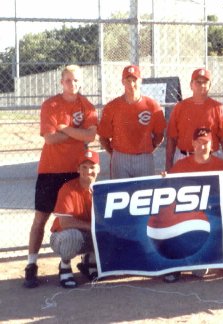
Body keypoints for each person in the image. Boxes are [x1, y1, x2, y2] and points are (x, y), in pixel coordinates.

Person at [24, 65, 98, 289]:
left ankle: (82, 261)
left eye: (75, 80)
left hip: (76, 171)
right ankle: (31, 264)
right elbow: (50, 139)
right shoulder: (51, 105)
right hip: (50, 170)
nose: (72, 84)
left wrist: (64, 128)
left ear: (80, 82)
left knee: (81, 215)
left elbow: (91, 135)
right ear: (61, 82)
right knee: (41, 218)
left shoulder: (86, 105)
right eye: (67, 80)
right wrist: (74, 131)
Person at [163, 127, 223, 283]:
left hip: (209, 216)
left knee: (199, 272)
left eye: (206, 142)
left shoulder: (220, 165)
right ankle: (174, 266)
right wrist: (164, 180)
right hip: (186, 215)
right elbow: (169, 190)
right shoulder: (181, 165)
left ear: (212, 144)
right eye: (198, 142)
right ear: (192, 144)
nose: (202, 146)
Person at [97, 65, 166, 179]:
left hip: (144, 156)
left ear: (141, 81)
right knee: (120, 192)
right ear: (122, 82)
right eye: (128, 80)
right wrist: (115, 153)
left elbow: (159, 135)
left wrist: (148, 149)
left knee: (145, 192)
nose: (131, 84)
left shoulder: (152, 105)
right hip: (120, 157)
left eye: (135, 80)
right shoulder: (112, 106)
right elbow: (103, 137)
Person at [49, 149, 100, 288]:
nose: (88, 171)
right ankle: (65, 266)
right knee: (73, 235)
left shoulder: (101, 189)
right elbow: (65, 223)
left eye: (92, 167)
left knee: (106, 231)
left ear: (99, 169)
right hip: (62, 237)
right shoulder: (68, 188)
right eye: (84, 167)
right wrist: (92, 227)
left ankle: (90, 262)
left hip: (87, 234)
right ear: (78, 169)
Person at [166, 68, 223, 171]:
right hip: (184, 157)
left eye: (205, 82)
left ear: (210, 85)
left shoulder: (217, 108)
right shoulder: (180, 107)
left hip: (210, 159)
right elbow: (172, 139)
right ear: (191, 85)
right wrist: (168, 165)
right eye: (198, 82)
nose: (202, 85)